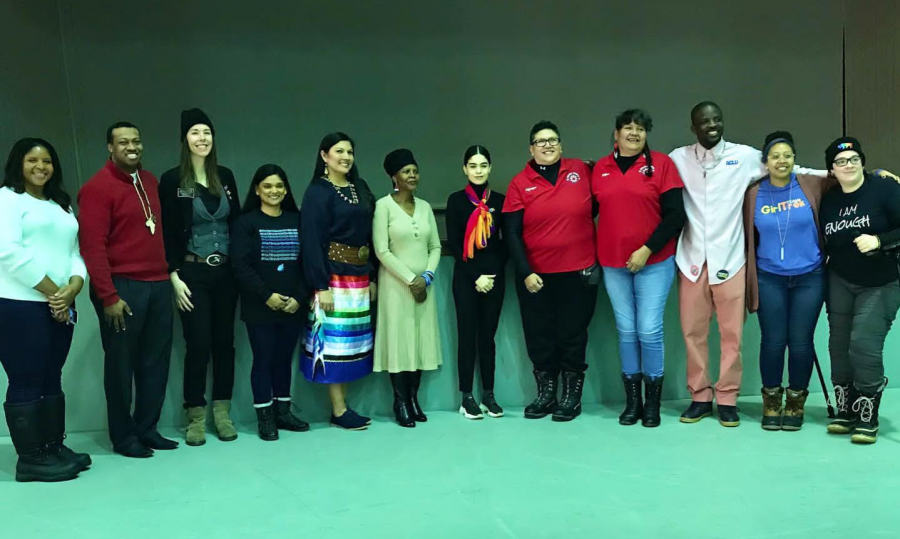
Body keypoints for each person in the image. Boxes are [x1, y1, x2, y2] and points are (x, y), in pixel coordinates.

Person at [668, 102, 828, 427]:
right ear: (693, 127)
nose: (711, 125)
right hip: (692, 260)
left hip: (730, 258)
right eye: (704, 121)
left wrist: (844, 173)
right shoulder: (677, 159)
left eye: (716, 119)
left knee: (732, 336)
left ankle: (727, 398)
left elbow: (790, 169)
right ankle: (699, 396)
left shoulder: (744, 156)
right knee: (692, 333)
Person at [78, 122, 177, 457]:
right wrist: (109, 296)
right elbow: (92, 247)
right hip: (122, 287)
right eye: (123, 142)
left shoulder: (149, 181)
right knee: (121, 366)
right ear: (110, 147)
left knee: (155, 362)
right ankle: (123, 437)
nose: (131, 146)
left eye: (136, 140)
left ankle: (147, 428)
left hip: (158, 284)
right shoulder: (96, 188)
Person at [0, 138, 90, 482]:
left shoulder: (60, 206)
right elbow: (10, 253)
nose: (41, 167)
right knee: (26, 379)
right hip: (18, 307)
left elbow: (74, 255)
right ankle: (31, 459)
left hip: (59, 305)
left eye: (47, 161)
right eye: (32, 160)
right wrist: (57, 294)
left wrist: (73, 289)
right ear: (17, 164)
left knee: (52, 376)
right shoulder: (7, 199)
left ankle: (53, 447)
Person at [591, 109, 685, 428]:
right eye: (628, 128)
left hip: (654, 261)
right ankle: (633, 403)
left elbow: (675, 216)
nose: (634, 133)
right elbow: (583, 212)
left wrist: (647, 249)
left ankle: (653, 404)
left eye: (641, 128)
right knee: (627, 331)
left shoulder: (662, 165)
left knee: (648, 329)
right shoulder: (599, 169)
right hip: (612, 263)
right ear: (615, 134)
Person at [503, 120, 598, 422]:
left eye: (552, 140)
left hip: (578, 272)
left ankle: (571, 398)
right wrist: (525, 272)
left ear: (561, 144)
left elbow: (601, 205)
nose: (547, 145)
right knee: (540, 336)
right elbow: (512, 233)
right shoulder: (520, 183)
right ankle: (546, 395)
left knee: (573, 335)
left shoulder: (582, 171)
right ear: (531, 148)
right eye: (540, 141)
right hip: (537, 278)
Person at [159, 108, 241, 446]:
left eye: (207, 132)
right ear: (184, 139)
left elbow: (236, 223)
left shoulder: (226, 176)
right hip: (191, 272)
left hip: (226, 273)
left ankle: (222, 413)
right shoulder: (171, 180)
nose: (202, 138)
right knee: (199, 344)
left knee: (225, 344)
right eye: (195, 132)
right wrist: (173, 275)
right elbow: (165, 231)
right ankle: (195, 415)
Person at [743, 131, 832, 431]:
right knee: (772, 342)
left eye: (787, 155)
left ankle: (795, 403)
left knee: (801, 342)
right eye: (775, 156)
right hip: (770, 278)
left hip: (810, 276)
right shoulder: (753, 193)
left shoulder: (810, 186)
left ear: (795, 159)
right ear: (765, 162)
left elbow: (849, 177)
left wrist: (880, 173)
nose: (782, 160)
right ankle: (771, 401)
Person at [819, 137, 900, 444]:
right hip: (840, 279)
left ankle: (868, 410)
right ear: (832, 169)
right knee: (838, 347)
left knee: (863, 344)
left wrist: (879, 241)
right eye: (841, 162)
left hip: (881, 281)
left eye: (854, 159)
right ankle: (846, 407)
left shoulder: (884, 189)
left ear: (863, 162)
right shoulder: (829, 198)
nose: (848, 165)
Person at [301, 133, 376, 431]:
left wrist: (370, 275)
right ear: (324, 156)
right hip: (332, 278)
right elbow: (311, 240)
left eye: (350, 151)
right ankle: (338, 409)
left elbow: (369, 235)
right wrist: (321, 286)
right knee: (334, 344)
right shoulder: (317, 191)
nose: (345, 156)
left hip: (359, 276)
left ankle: (343, 407)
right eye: (338, 151)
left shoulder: (360, 187)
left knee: (352, 344)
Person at [232, 165, 310, 441]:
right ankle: (265, 417)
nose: (274, 191)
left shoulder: (297, 220)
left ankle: (283, 412)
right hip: (259, 306)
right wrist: (267, 295)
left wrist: (299, 298)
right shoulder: (245, 223)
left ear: (286, 189)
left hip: (292, 307)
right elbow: (241, 266)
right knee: (263, 360)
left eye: (279, 186)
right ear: (256, 190)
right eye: (267, 186)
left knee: (283, 360)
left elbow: (306, 264)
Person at [373, 149, 443, 427]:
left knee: (419, 340)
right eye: (406, 171)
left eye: (415, 170)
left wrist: (425, 277)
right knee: (399, 342)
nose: (412, 175)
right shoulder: (383, 206)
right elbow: (381, 250)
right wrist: (409, 279)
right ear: (394, 177)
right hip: (395, 287)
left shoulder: (425, 207)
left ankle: (414, 398)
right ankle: (400, 401)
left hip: (424, 287)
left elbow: (435, 246)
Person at [446, 145, 507, 420]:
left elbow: (507, 243)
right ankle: (467, 396)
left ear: (490, 167)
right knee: (467, 336)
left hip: (493, 278)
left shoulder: (502, 201)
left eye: (483, 165)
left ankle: (489, 394)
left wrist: (491, 276)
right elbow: (456, 244)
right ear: (465, 169)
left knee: (488, 337)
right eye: (473, 165)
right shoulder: (456, 201)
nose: (478, 170)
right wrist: (476, 277)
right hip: (467, 277)